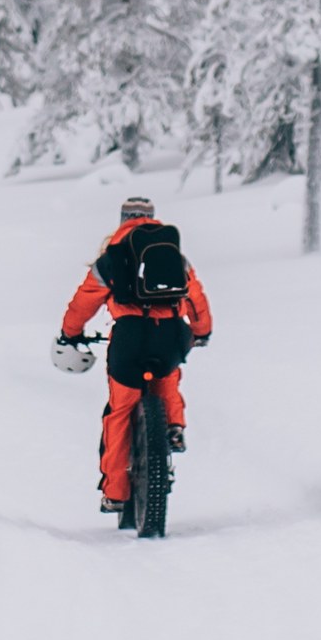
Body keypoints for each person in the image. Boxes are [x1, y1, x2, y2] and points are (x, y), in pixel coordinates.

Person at [57, 195, 213, 513]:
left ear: (123, 219)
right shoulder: (174, 257)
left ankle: (115, 493)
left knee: (120, 412)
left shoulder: (112, 257)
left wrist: (70, 333)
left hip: (129, 338)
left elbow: (84, 301)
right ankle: (174, 427)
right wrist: (200, 331)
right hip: (171, 336)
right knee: (167, 377)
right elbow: (196, 297)